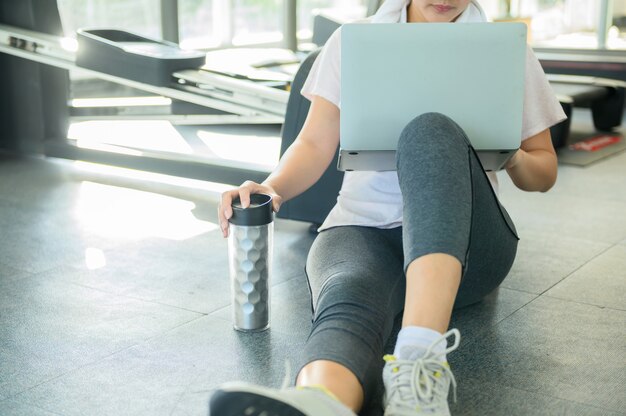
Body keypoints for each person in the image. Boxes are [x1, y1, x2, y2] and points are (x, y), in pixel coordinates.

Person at [209, 0, 567, 415]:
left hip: (470, 245)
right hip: (362, 227)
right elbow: (312, 144)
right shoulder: (352, 41)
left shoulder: (507, 51)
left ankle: (417, 379)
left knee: (429, 128)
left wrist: (510, 154)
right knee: (348, 297)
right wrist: (271, 188)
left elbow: (545, 171)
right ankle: (321, 400)